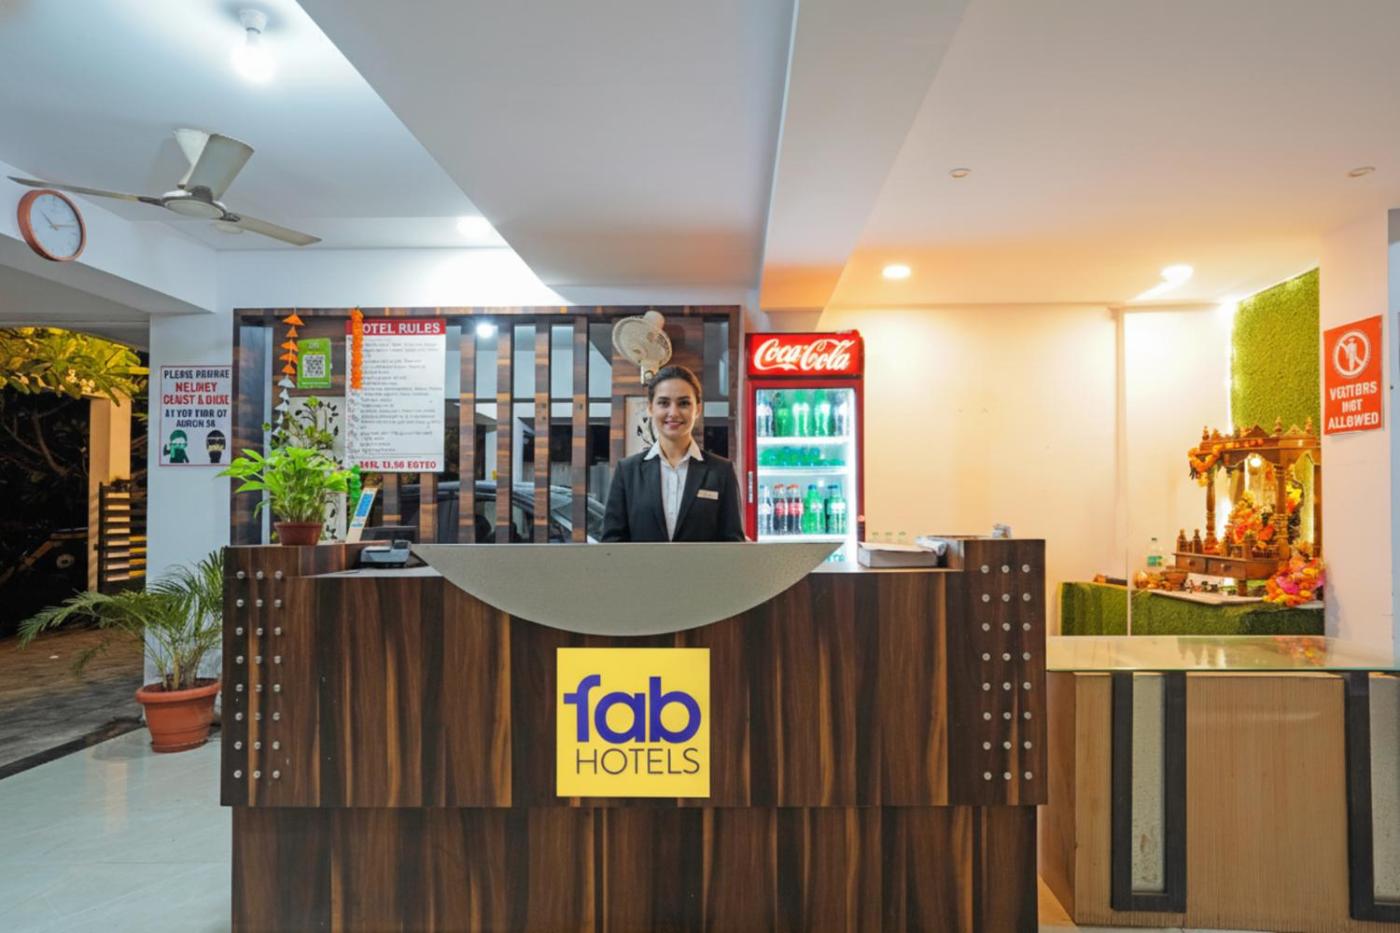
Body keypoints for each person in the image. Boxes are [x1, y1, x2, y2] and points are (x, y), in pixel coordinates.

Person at [601, 364, 746, 542]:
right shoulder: (627, 471)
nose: (673, 412)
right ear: (650, 408)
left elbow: (733, 544)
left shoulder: (722, 472)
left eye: (683, 403)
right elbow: (612, 544)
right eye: (664, 403)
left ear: (698, 409)